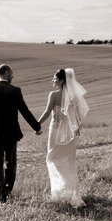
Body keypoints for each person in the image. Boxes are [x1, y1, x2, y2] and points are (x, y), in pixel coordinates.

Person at [0, 64, 42, 203]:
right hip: (11, 134)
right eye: (11, 73)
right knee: (10, 162)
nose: (13, 75)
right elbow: (25, 111)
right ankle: (7, 190)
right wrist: (36, 127)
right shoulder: (15, 91)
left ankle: (0, 194)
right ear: (6, 72)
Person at [38, 68, 88, 207]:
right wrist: (77, 128)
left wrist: (37, 124)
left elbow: (47, 112)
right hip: (70, 133)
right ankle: (70, 192)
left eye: (54, 78)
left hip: (55, 131)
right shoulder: (73, 96)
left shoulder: (53, 95)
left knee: (53, 158)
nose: (52, 81)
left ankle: (59, 192)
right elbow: (77, 115)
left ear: (61, 81)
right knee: (69, 161)